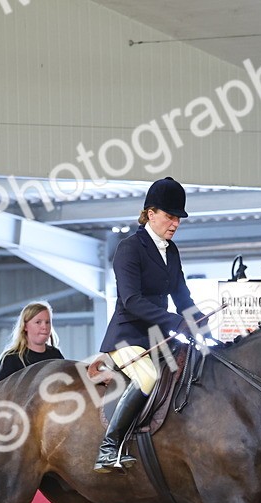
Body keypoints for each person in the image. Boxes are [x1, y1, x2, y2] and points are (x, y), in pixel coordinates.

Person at [93, 176, 201, 472]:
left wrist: (197, 319)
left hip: (158, 338)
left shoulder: (172, 250)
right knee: (148, 378)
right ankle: (109, 446)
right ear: (150, 214)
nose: (175, 223)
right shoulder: (129, 249)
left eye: (178, 217)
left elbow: (181, 294)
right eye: (170, 216)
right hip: (127, 337)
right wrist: (175, 321)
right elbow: (132, 301)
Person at [0, 301, 65, 382]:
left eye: (47, 322)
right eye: (38, 322)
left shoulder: (55, 355)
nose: (44, 327)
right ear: (25, 326)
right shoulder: (10, 359)